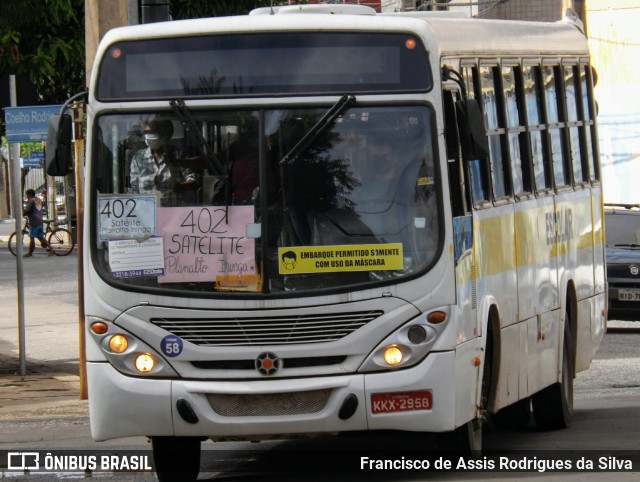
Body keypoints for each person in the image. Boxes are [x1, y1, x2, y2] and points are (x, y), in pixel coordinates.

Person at [129, 119, 197, 206]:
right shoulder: (139, 157)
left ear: (165, 137)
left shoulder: (178, 155)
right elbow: (134, 188)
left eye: (154, 137)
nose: (151, 140)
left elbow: (193, 182)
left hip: (173, 212)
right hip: (147, 211)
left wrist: (181, 187)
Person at [23, 188, 54, 257]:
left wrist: (23, 214)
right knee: (40, 236)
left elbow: (27, 210)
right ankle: (51, 248)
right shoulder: (38, 199)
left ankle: (30, 253)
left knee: (32, 238)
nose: (27, 197)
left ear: (30, 195)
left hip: (34, 221)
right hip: (40, 220)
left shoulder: (31, 201)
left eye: (27, 195)